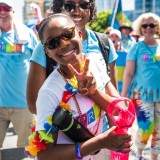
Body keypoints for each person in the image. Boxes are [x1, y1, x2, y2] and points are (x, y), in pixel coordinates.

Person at [24, 13, 132, 160]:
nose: (63, 44)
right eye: (53, 43)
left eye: (68, 34)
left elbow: (121, 113)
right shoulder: (49, 92)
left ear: (80, 34)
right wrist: (101, 142)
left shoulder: (95, 63)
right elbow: (45, 155)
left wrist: (94, 93)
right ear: (47, 52)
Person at [27, 0, 118, 115]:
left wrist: (94, 93)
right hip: (66, 129)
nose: (76, 11)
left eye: (84, 5)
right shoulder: (44, 48)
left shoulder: (104, 43)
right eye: (69, 5)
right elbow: (34, 105)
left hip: (105, 128)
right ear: (59, 8)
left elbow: (116, 101)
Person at [0, 0, 38, 157]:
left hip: (24, 104)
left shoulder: (27, 34)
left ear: (13, 11)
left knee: (28, 150)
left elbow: (39, 63)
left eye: (6, 8)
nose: (2, 11)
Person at [121, 12, 160, 160]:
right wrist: (123, 95)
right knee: (146, 127)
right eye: (145, 25)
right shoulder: (136, 47)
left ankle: (154, 157)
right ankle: (139, 154)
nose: (148, 28)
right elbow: (128, 73)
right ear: (140, 28)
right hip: (141, 94)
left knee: (159, 130)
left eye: (152, 25)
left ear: (157, 27)